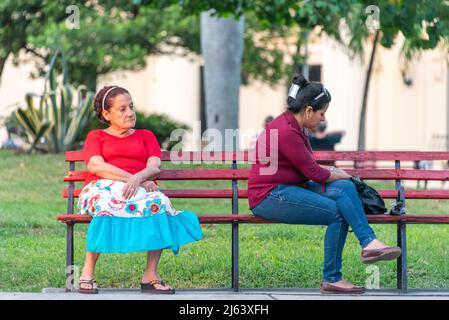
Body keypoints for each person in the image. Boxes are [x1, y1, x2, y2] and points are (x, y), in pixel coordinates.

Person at [248, 74, 401, 294]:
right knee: (337, 211)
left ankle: (369, 243)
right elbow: (315, 173)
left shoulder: (296, 125)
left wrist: (339, 176)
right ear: (309, 110)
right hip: (270, 195)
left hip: (291, 187)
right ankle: (332, 278)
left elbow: (310, 169)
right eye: (322, 113)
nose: (322, 119)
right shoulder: (286, 131)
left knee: (345, 189)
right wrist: (342, 174)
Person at [77, 86, 203, 294]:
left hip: (139, 189)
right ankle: (87, 272)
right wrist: (135, 179)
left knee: (159, 204)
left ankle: (150, 275)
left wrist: (139, 179)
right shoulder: (96, 136)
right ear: (106, 114)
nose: (130, 113)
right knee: (106, 206)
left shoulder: (146, 136)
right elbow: (96, 166)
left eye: (132, 107)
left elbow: (154, 167)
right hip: (102, 187)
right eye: (122, 109)